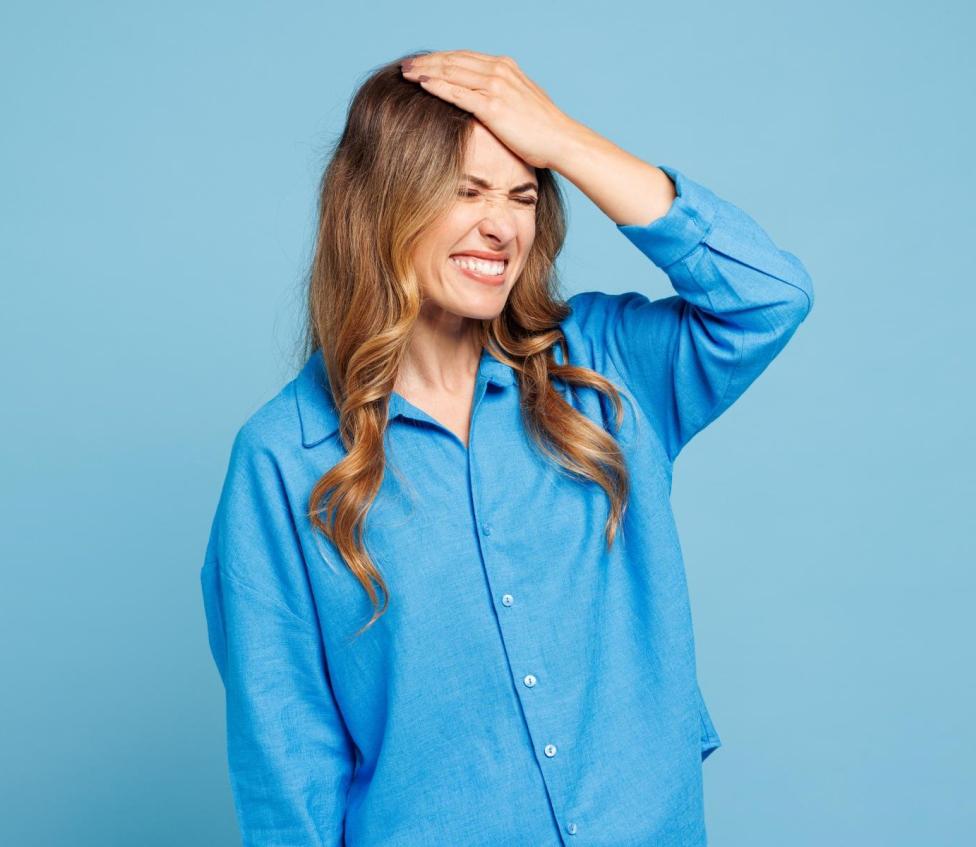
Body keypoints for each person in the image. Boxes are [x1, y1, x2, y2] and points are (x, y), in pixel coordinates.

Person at [199, 49, 815, 847]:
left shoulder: (604, 369)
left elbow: (770, 296)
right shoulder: (283, 459)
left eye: (524, 194)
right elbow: (288, 763)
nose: (503, 224)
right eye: (467, 191)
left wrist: (563, 140)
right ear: (383, 204)